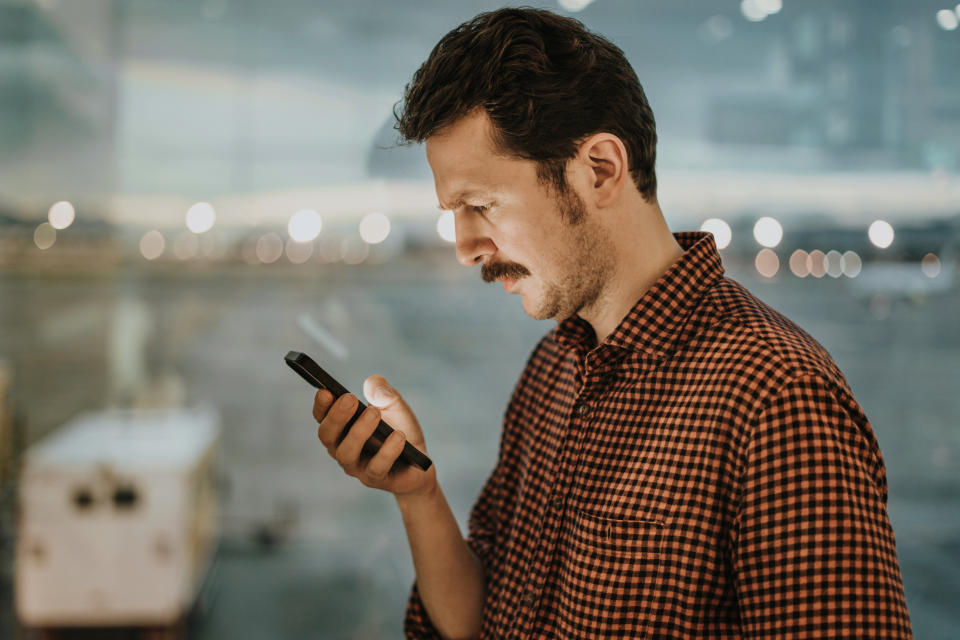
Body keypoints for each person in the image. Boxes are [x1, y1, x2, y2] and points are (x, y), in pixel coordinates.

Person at [311, 7, 913, 639]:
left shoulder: (776, 398)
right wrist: (418, 493)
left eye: (481, 205)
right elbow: (481, 623)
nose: (465, 247)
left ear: (599, 169)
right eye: (453, 212)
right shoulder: (553, 368)